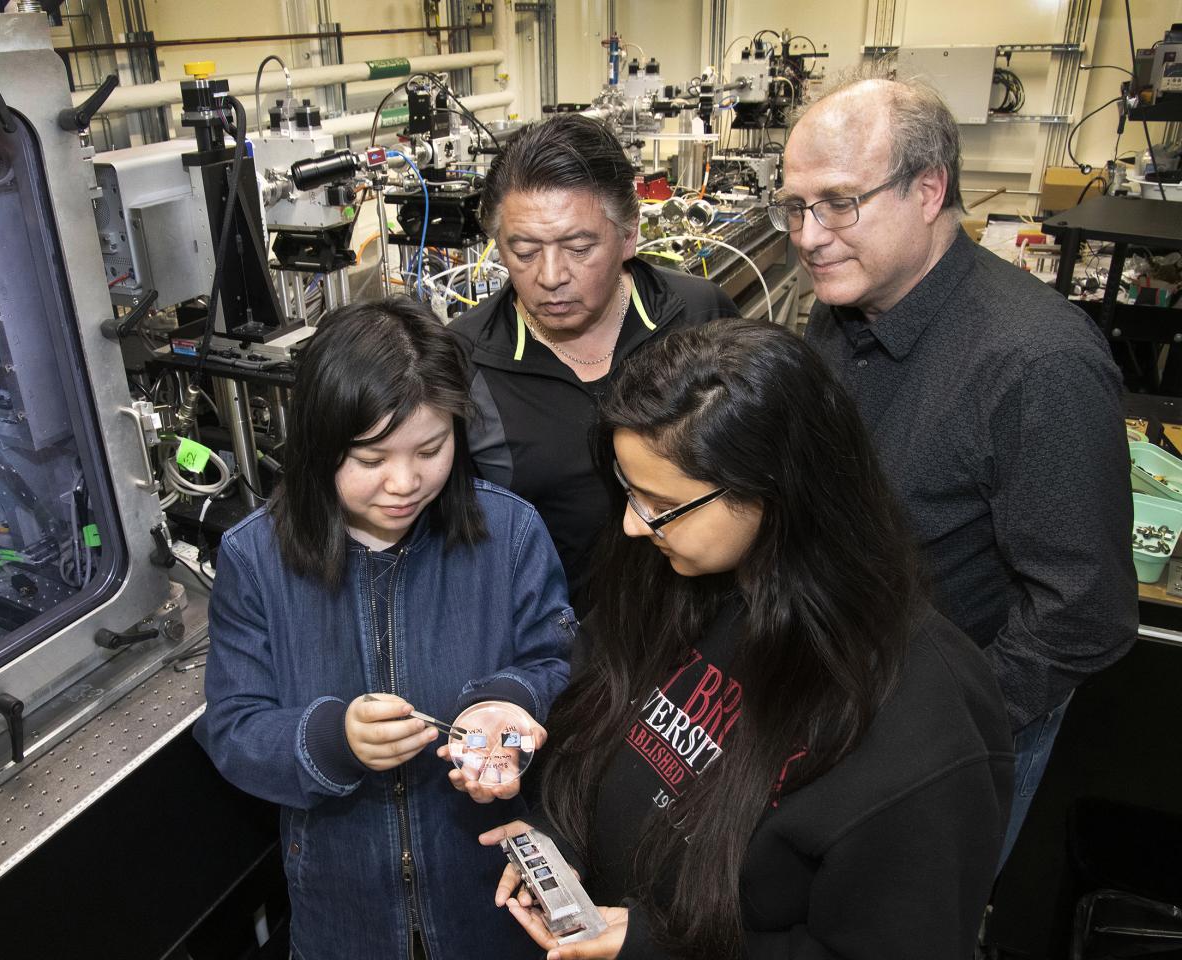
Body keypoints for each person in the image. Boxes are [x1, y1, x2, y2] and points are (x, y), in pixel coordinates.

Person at [481, 320, 1013, 959]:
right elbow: (595, 710)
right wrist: (559, 839)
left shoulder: (919, 716)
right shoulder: (672, 574)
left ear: (775, 492)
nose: (632, 526)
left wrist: (653, 949)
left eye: (660, 505)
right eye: (628, 491)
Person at [777, 68, 1136, 862]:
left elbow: (1085, 614)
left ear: (929, 190)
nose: (808, 235)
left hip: (953, 734)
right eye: (795, 206)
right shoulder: (839, 311)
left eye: (839, 202)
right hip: (841, 693)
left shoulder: (1037, 363)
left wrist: (936, 727)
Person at [195, 298, 573, 960]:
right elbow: (234, 729)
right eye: (371, 459)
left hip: (492, 899)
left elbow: (559, 665)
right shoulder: (255, 557)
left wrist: (509, 709)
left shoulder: (509, 532)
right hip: (342, 915)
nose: (405, 483)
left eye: (431, 449)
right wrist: (334, 740)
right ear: (319, 444)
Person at [451, 114, 737, 607]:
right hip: (554, 634)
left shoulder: (699, 316)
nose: (551, 276)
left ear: (629, 235)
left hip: (703, 616)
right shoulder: (464, 358)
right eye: (524, 251)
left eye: (579, 247)